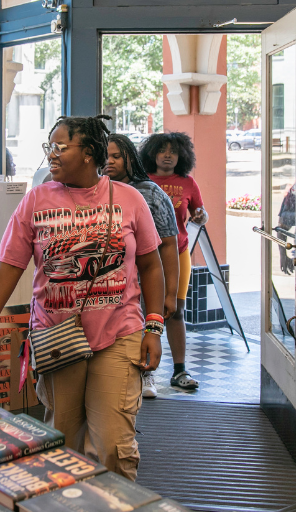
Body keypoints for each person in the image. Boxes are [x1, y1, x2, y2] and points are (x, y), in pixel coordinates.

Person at [0, 115, 165, 480]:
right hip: (57, 337)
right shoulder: (36, 201)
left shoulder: (130, 199)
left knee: (112, 445)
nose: (51, 156)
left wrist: (154, 326)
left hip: (119, 334)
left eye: (60, 148)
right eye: (49, 148)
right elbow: (10, 265)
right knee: (63, 443)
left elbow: (152, 266)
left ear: (89, 152)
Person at [103, 133, 179, 398]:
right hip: (109, 282)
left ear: (129, 158)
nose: (109, 162)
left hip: (145, 277)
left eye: (115, 156)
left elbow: (169, 244)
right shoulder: (91, 192)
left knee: (145, 326)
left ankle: (147, 375)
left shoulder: (150, 193)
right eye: (105, 156)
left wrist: (171, 293)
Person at [140, 132, 207, 391]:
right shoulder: (142, 181)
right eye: (162, 150)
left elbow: (199, 213)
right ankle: (145, 373)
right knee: (147, 312)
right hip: (147, 255)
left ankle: (179, 371)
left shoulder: (188, 183)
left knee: (176, 312)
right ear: (152, 154)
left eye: (173, 151)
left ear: (182, 156)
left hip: (178, 254)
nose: (167, 155)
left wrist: (202, 216)